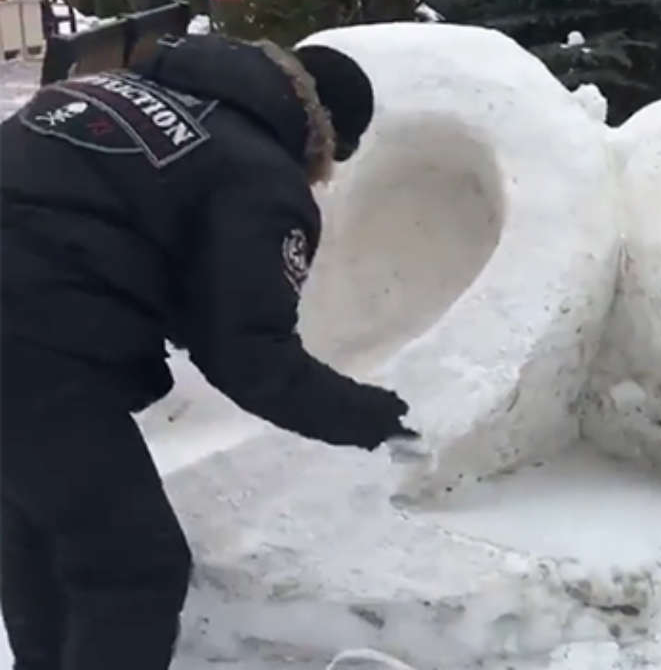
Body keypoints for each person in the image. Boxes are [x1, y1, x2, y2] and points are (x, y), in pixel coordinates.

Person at [0, 34, 418, 669]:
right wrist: (376, 417)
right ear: (323, 138)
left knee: (40, 525)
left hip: (26, 333)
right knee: (135, 562)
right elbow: (250, 357)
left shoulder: (112, 87)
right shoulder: (259, 176)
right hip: (30, 348)